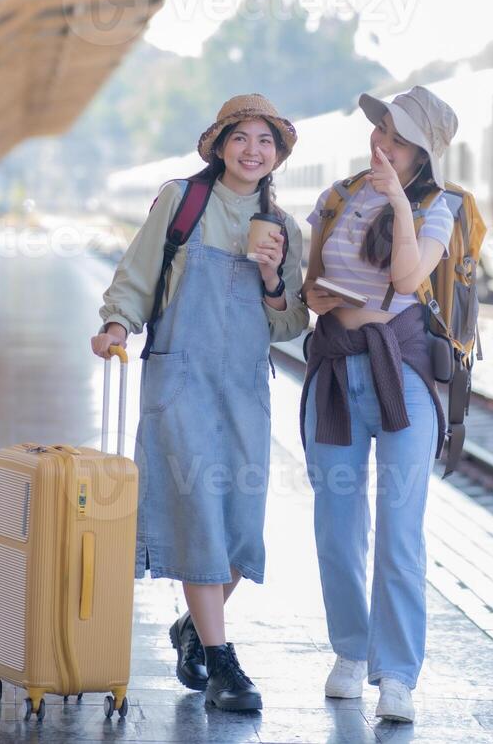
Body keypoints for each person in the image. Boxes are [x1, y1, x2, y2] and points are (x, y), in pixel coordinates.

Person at [91, 94, 309, 712]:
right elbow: (137, 273)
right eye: (241, 138)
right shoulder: (182, 201)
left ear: (277, 155)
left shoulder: (286, 229)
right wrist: (115, 325)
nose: (252, 151)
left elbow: (291, 322)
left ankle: (193, 628)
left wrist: (271, 278)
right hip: (179, 379)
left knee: (241, 525)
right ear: (219, 145)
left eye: (265, 141)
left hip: (244, 386)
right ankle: (221, 664)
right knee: (197, 516)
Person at [300, 85, 457, 723]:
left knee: (399, 530)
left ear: (421, 152)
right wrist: (309, 293)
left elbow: (408, 279)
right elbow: (309, 284)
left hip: (405, 377)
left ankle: (397, 675)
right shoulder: (335, 197)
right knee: (336, 527)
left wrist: (394, 197)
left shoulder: (441, 207)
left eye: (393, 137)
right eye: (379, 131)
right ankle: (350, 651)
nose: (379, 144)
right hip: (337, 369)